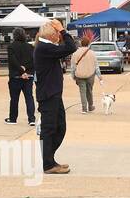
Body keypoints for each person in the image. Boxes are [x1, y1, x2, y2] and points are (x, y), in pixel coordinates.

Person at [34, 19, 77, 174]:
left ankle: (50, 160)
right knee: (49, 129)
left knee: (60, 127)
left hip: (53, 94)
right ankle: (48, 164)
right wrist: (63, 29)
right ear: (53, 35)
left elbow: (67, 47)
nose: (60, 36)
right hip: (48, 95)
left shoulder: (46, 47)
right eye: (58, 33)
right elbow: (71, 47)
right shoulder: (44, 48)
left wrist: (61, 31)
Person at [6, 27, 36, 125]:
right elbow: (33, 61)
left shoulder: (11, 47)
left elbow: (13, 61)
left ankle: (13, 119)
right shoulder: (30, 47)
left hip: (15, 76)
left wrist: (21, 71)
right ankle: (31, 119)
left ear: (14, 36)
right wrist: (26, 71)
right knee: (29, 98)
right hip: (28, 76)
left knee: (14, 99)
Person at [70, 33, 100, 114]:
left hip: (79, 75)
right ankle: (90, 106)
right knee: (89, 91)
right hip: (90, 75)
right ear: (89, 43)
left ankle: (84, 108)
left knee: (82, 91)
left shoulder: (75, 53)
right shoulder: (92, 53)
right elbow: (96, 66)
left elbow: (73, 66)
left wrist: (72, 75)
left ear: (80, 43)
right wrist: (99, 76)